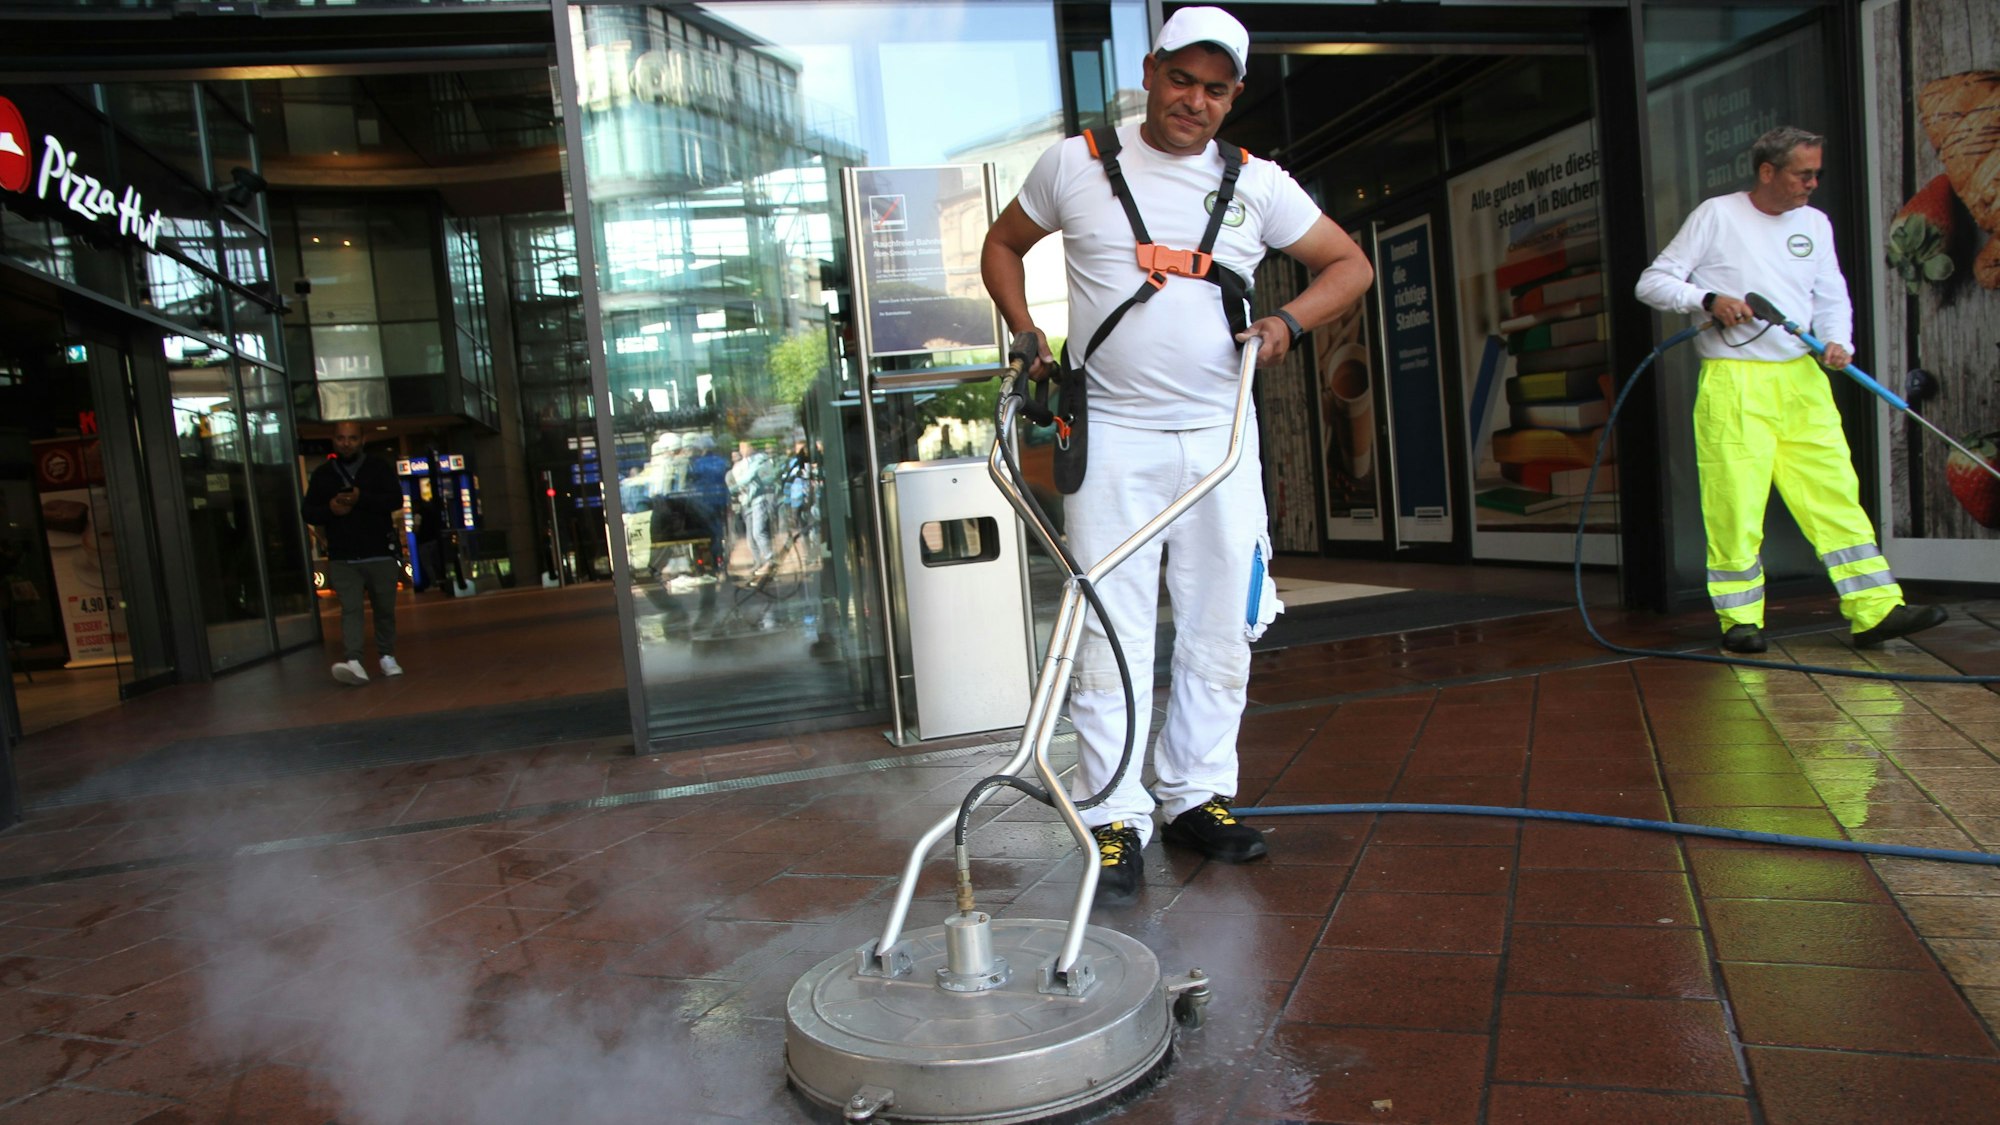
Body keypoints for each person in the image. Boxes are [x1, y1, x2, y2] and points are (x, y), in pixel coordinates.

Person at [981, 6, 1374, 905]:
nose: (1193, 101)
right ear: (1150, 70)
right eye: (1181, 80)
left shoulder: (1258, 183)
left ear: (1233, 95)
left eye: (1215, 88)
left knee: (1216, 624)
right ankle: (1112, 813)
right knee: (1111, 625)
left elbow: (1346, 264)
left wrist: (1286, 321)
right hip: (1111, 432)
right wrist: (1025, 328)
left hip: (1222, 439)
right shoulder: (1075, 164)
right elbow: (1003, 244)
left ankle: (1195, 793)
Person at [1636, 125, 1946, 655]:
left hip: (1803, 378)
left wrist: (1837, 341)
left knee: (1835, 497)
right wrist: (1709, 298)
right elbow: (1653, 281)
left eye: (1817, 173)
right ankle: (1740, 621)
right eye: (1804, 173)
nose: (1813, 183)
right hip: (1735, 380)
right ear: (1767, 171)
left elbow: (1831, 295)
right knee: (1735, 503)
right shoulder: (1717, 215)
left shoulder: (1815, 224)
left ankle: (1874, 611)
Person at [302, 421, 406, 685]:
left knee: (384, 608)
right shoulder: (324, 474)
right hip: (343, 555)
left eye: (351, 438)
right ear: (333, 440)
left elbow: (394, 499)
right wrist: (330, 509)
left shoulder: (377, 468)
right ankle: (354, 660)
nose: (346, 443)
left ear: (362, 440)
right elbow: (309, 511)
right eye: (341, 438)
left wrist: (362, 498)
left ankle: (386, 656)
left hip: (380, 552)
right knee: (351, 609)